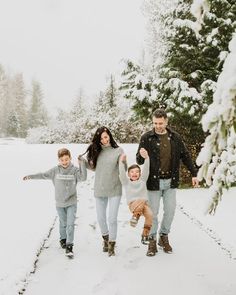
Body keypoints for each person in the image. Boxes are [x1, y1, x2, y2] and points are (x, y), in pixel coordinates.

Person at [136, 109, 199, 256]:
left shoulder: (175, 138)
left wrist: (194, 173)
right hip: (153, 182)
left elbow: (186, 156)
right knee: (153, 213)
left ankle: (163, 236)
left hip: (170, 181)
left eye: (160, 123)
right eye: (155, 123)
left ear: (166, 122)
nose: (157, 126)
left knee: (170, 211)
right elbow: (139, 161)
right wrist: (141, 155)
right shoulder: (147, 137)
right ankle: (152, 240)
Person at [23, 148, 87, 258]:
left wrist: (82, 163)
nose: (64, 162)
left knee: (70, 224)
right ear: (59, 160)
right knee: (63, 223)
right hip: (60, 203)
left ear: (70, 158)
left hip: (71, 201)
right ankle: (63, 239)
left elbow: (83, 177)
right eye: (62, 160)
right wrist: (30, 176)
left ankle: (69, 246)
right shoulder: (55, 171)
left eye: (66, 159)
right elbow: (43, 175)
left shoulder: (74, 170)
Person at [79, 126, 124, 257]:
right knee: (101, 218)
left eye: (106, 136)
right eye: (101, 138)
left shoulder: (118, 150)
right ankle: (105, 239)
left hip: (115, 188)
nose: (104, 140)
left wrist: (124, 162)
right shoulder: (96, 150)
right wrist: (83, 162)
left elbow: (123, 168)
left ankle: (112, 244)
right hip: (100, 188)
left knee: (112, 219)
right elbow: (94, 168)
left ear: (109, 135)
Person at [119, 150, 155, 257]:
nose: (134, 174)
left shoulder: (143, 181)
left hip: (144, 206)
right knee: (142, 199)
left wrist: (147, 158)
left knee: (150, 215)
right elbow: (121, 173)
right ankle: (135, 215)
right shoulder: (126, 182)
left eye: (137, 172)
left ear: (140, 174)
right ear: (129, 174)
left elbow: (146, 170)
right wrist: (121, 162)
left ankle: (145, 235)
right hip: (133, 206)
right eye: (132, 172)